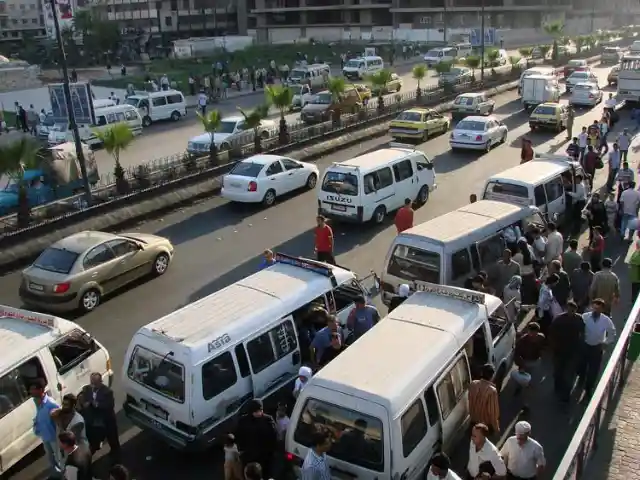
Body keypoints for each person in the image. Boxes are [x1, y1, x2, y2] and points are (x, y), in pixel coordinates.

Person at [577, 299, 617, 400]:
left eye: (598, 309)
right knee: (582, 364)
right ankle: (580, 379)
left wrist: (606, 342)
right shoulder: (585, 316)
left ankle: (588, 389)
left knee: (593, 369)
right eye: (594, 308)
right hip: (585, 345)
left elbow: (612, 332)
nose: (596, 310)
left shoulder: (606, 320)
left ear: (602, 309)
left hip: (596, 347)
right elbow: (578, 328)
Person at [78, 372, 120, 459]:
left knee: (112, 439)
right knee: (94, 440)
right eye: (91, 382)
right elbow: (84, 399)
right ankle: (88, 456)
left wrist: (97, 404)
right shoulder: (87, 389)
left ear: (100, 381)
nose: (92, 385)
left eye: (95, 383)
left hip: (107, 420)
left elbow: (110, 405)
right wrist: (85, 403)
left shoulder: (107, 392)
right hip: (94, 421)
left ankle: (116, 454)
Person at [549, 300, 584, 402]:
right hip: (559, 351)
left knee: (569, 373)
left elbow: (582, 334)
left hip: (572, 352)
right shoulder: (559, 319)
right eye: (569, 310)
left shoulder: (579, 319)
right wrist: (553, 347)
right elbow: (551, 333)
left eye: (572, 310)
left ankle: (566, 395)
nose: (570, 312)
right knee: (558, 371)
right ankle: (557, 387)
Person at [236, 399, 278, 477]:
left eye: (261, 410)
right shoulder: (243, 422)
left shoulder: (268, 420)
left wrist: (272, 451)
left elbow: (274, 436)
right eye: (256, 411)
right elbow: (239, 437)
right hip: (249, 456)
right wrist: (241, 450)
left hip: (265, 456)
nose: (259, 413)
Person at [30, 378, 61, 477]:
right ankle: (57, 474)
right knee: (50, 458)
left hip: (53, 437)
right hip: (45, 436)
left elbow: (60, 420)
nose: (31, 391)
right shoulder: (37, 402)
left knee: (58, 457)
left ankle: (66, 474)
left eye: (33, 389)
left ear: (40, 390)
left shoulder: (51, 404)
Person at [468, 364, 500, 437]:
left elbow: (469, 400)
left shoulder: (473, 384)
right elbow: (493, 413)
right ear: (492, 375)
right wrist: (496, 428)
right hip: (485, 427)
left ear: (481, 373)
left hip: (473, 423)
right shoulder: (492, 391)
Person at [513, 239, 537, 305]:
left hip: (523, 277)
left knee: (525, 294)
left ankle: (526, 308)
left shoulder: (517, 256)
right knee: (531, 292)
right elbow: (535, 261)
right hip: (531, 275)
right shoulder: (530, 253)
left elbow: (510, 261)